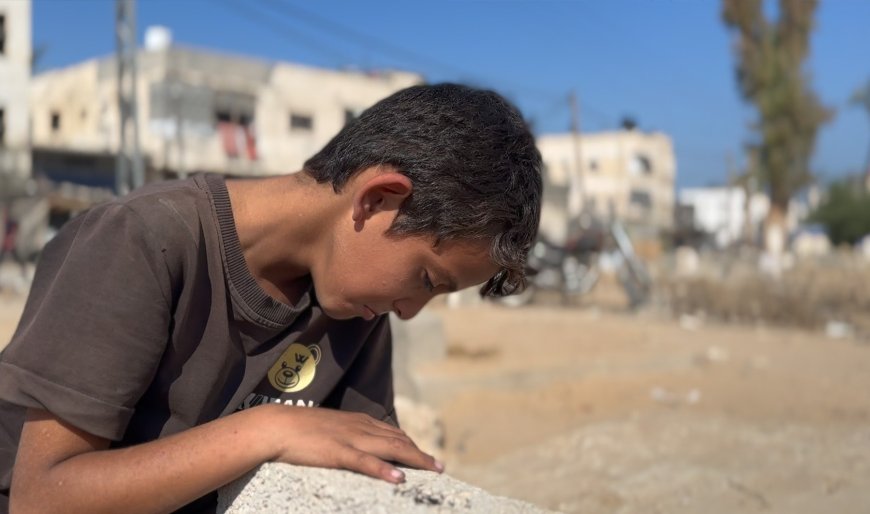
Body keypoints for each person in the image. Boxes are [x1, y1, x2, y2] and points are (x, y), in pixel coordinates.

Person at [0, 83, 543, 513]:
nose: (410, 310)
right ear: (377, 199)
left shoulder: (355, 304)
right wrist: (265, 430)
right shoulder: (142, 238)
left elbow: (372, 461)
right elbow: (43, 498)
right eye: (427, 279)